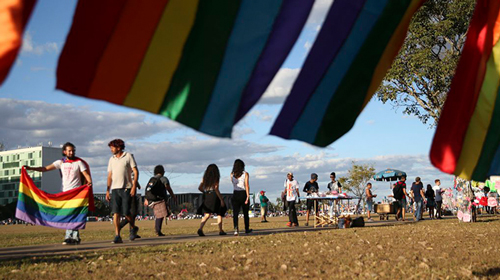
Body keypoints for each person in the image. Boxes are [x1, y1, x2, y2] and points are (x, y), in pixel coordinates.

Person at [25, 142, 92, 245]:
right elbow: (45, 169)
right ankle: (70, 237)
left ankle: (73, 237)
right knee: (67, 214)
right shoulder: (61, 162)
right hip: (65, 193)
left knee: (74, 215)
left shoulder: (79, 162)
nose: (71, 152)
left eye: (73, 150)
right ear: (64, 152)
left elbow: (86, 174)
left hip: (76, 193)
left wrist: (89, 182)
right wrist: (31, 169)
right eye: (69, 150)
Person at [106, 139, 139, 244]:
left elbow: (135, 171)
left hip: (126, 188)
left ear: (119, 147)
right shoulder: (111, 159)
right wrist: (108, 190)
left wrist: (134, 186)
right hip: (115, 189)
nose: (111, 149)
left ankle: (133, 227)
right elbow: (110, 175)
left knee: (126, 212)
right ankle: (117, 235)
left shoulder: (128, 156)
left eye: (112, 147)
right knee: (116, 213)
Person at [145, 165, 177, 236]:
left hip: (151, 199)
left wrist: (146, 199)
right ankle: (158, 230)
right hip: (159, 199)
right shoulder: (163, 178)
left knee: (159, 214)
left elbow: (148, 190)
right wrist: (173, 196)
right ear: (162, 171)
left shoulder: (152, 179)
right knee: (161, 214)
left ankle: (158, 229)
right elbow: (168, 188)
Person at [197, 164, 226, 236]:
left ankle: (200, 228)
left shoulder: (205, 178)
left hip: (207, 195)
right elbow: (216, 188)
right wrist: (221, 199)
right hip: (214, 195)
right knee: (219, 213)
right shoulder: (216, 178)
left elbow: (200, 188)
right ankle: (221, 230)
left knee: (207, 214)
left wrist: (205, 192)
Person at [230, 159, 252, 236]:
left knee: (235, 213)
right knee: (245, 213)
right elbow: (246, 185)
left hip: (235, 193)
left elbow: (233, 183)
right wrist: (248, 196)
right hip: (243, 193)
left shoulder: (232, 174)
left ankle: (236, 229)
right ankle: (247, 228)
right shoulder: (245, 174)